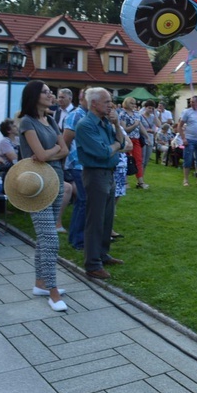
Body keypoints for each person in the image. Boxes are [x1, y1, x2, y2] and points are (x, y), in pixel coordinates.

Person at [18, 80, 68, 311]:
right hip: (35, 184)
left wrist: (52, 153)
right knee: (50, 238)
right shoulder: (27, 122)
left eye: (51, 92)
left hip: (55, 180)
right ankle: (53, 290)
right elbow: (38, 155)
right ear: (34, 96)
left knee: (44, 237)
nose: (51, 95)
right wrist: (53, 152)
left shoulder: (49, 120)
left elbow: (64, 149)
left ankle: (40, 283)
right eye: (46, 92)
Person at [75, 87, 126, 280]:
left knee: (106, 219)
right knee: (95, 221)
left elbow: (120, 144)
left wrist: (117, 125)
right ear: (93, 103)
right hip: (95, 174)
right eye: (106, 101)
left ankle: (102, 254)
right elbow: (103, 152)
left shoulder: (105, 123)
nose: (110, 105)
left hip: (108, 173)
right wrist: (113, 147)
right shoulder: (85, 125)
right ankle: (93, 264)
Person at [63, 89, 89, 250]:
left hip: (85, 164)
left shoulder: (89, 115)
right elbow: (66, 140)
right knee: (84, 201)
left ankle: (76, 238)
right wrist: (65, 162)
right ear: (82, 99)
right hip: (77, 164)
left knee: (82, 201)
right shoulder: (76, 115)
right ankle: (78, 240)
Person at [119, 97, 148, 189]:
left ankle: (140, 182)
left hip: (136, 140)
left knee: (138, 160)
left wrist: (147, 136)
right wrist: (134, 125)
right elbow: (124, 129)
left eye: (134, 103)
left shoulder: (136, 114)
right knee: (126, 160)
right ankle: (125, 182)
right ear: (126, 103)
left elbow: (140, 126)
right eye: (131, 103)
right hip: (127, 140)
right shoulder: (122, 114)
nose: (134, 105)